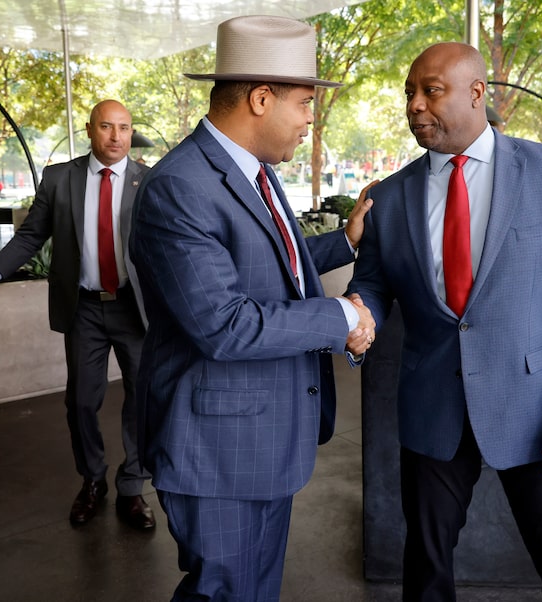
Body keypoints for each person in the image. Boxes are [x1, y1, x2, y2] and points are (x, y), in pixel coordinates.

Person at [347, 42, 542, 600]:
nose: (416, 106)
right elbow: (373, 284)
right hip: (432, 408)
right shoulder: (390, 197)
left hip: (536, 410)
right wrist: (357, 314)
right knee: (425, 570)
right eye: (409, 94)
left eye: (432, 91)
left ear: (477, 93)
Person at [129, 15, 375, 601]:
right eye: (304, 104)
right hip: (216, 454)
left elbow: (271, 265)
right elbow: (225, 324)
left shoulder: (253, 171)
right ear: (261, 99)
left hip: (263, 440)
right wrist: (342, 317)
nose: (310, 120)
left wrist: (345, 240)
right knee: (226, 591)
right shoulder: (179, 187)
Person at [0, 100, 155, 530]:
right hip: (83, 308)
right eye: (106, 126)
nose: (116, 136)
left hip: (134, 308)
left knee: (142, 399)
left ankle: (133, 488)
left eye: (123, 127)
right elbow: (29, 237)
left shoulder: (149, 181)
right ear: (89, 129)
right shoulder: (60, 178)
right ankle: (93, 480)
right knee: (81, 401)